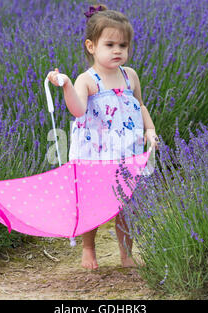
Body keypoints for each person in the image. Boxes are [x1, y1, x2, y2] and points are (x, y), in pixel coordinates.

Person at [47, 4, 160, 270]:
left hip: (126, 152)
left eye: (123, 45)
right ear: (91, 46)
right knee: (92, 204)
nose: (118, 50)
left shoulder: (129, 75)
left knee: (127, 205)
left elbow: (140, 105)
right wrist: (65, 86)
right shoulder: (88, 80)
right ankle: (88, 249)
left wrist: (150, 130)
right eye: (110, 44)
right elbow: (78, 110)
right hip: (95, 155)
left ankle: (126, 254)